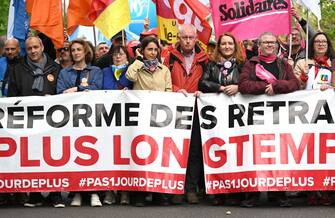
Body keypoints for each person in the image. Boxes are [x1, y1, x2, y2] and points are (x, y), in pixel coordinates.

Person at [239, 32, 299, 207]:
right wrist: (265, 87)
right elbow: (243, 85)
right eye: (265, 42)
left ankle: (278, 194)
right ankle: (253, 194)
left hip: (278, 118)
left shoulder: (283, 64)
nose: (269, 45)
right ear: (259, 45)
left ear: (276, 44)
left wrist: (277, 85)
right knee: (255, 154)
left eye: (272, 42)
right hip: (256, 119)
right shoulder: (251, 64)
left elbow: (295, 83)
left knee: (277, 154)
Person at [7, 36, 64, 208]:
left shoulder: (55, 68)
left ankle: (55, 195)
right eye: (29, 48)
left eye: (35, 47)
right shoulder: (17, 69)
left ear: (41, 47)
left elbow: (63, 93)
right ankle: (35, 194)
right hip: (28, 122)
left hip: (52, 121)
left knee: (54, 156)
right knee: (32, 156)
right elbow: (12, 96)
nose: (33, 51)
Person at [163, 24, 208, 204]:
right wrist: (175, 90)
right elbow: (163, 79)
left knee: (195, 150)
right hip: (175, 109)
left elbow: (208, 82)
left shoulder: (204, 59)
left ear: (196, 39)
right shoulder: (169, 58)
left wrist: (203, 92)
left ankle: (190, 189)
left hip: (197, 109)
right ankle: (176, 188)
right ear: (178, 39)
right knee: (175, 149)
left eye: (191, 37)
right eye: (184, 37)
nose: (188, 41)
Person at [199, 32, 245, 205]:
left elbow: (250, 83)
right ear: (219, 46)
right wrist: (218, 87)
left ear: (235, 46)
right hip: (216, 117)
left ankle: (235, 193)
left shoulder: (242, 65)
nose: (227, 47)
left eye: (230, 44)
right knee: (218, 151)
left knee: (235, 151)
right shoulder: (211, 65)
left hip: (237, 116)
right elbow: (202, 83)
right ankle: (218, 192)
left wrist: (238, 87)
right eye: (224, 44)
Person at [126, 36, 172, 207]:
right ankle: (139, 194)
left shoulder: (164, 70)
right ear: (143, 51)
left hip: (160, 119)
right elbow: (129, 77)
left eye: (155, 50)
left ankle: (158, 193)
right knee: (141, 154)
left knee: (158, 154)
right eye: (149, 50)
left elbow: (169, 91)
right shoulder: (137, 68)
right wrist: (138, 60)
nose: (153, 53)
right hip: (141, 119)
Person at [56, 39, 102, 207]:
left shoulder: (95, 71)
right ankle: (77, 193)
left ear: (85, 51)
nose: (75, 53)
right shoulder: (64, 73)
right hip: (70, 120)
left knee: (92, 155)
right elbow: (60, 92)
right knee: (75, 156)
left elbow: (98, 87)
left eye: (78, 49)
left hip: (91, 119)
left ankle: (94, 192)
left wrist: (77, 89)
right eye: (73, 50)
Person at [102, 45, 132, 205]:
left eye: (121, 54)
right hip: (108, 118)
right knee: (109, 154)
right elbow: (105, 88)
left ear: (127, 57)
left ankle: (124, 191)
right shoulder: (105, 72)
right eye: (115, 55)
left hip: (127, 118)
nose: (118, 57)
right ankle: (109, 190)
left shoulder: (131, 70)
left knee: (124, 155)